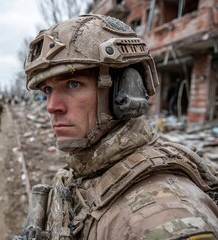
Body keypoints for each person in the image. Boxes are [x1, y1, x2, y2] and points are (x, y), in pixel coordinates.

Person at [15, 14, 218, 239]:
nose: (52, 107)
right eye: (47, 90)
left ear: (124, 91)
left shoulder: (161, 218)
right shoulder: (87, 171)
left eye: (73, 84)